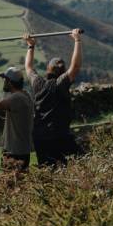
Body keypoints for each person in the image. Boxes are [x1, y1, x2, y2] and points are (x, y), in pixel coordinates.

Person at [25, 28, 83, 167]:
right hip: (59, 135)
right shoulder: (61, 84)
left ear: (48, 69)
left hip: (40, 137)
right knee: (82, 162)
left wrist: (31, 46)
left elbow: (28, 67)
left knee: (48, 172)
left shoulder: (38, 83)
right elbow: (75, 66)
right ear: (63, 72)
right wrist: (77, 40)